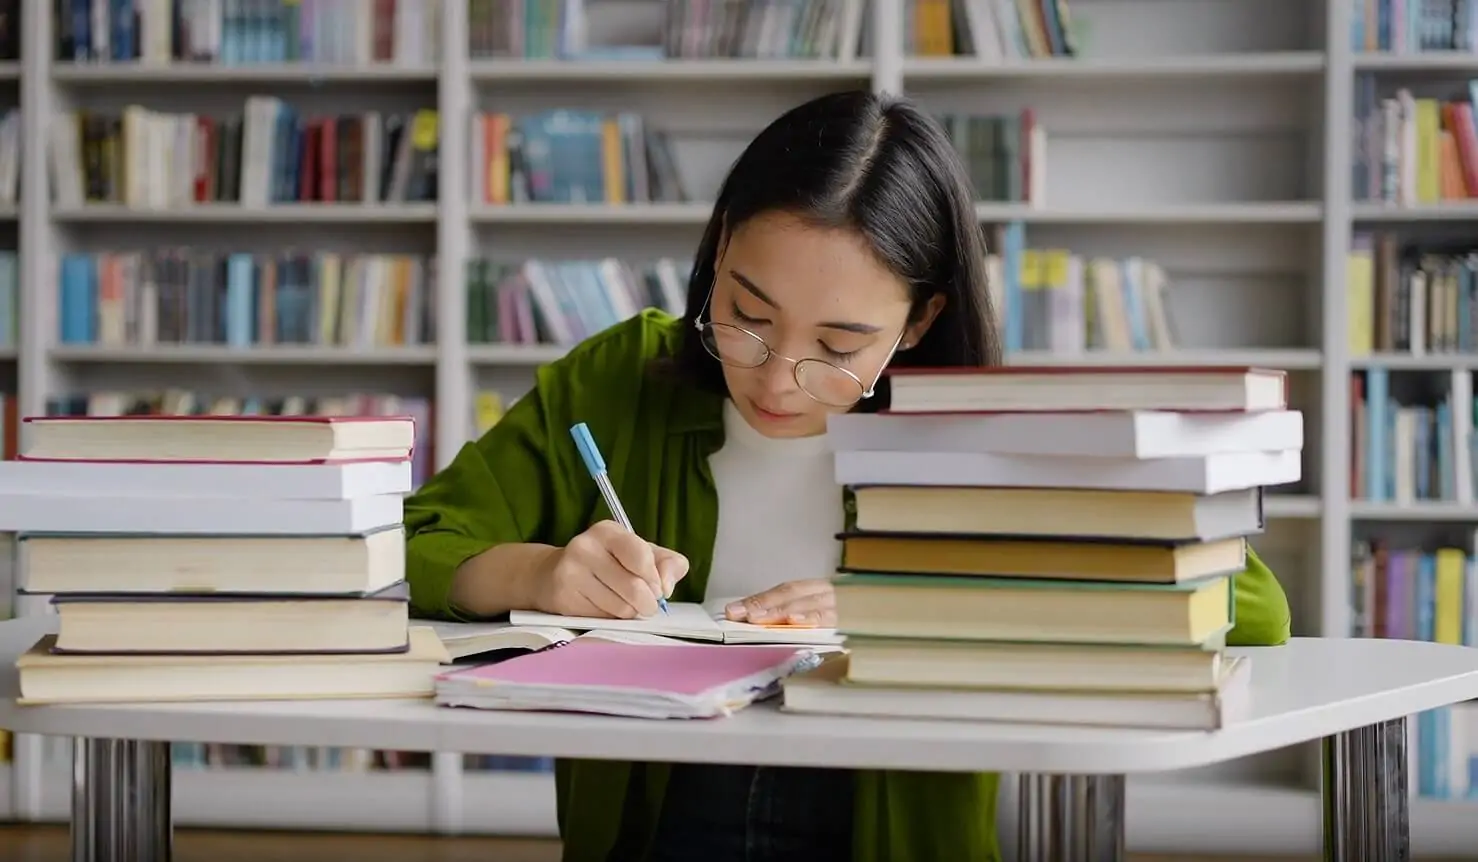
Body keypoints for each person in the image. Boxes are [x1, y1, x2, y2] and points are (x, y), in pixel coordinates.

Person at [403, 89, 1292, 862]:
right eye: (746, 314)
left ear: (919, 320)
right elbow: (409, 545)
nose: (777, 375)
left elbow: (1250, 607)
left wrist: (909, 603)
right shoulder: (620, 378)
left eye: (837, 347)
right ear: (715, 250)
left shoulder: (983, 428)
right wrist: (541, 573)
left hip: (889, 818)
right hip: (659, 816)